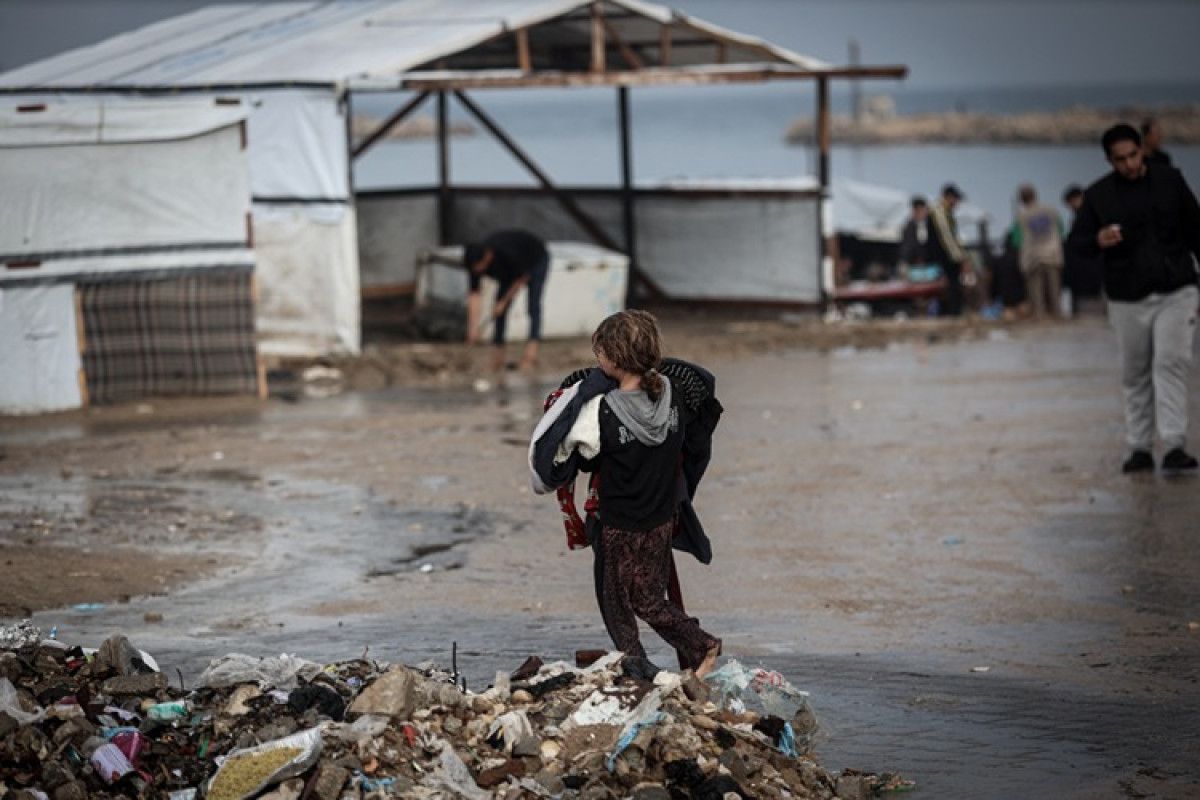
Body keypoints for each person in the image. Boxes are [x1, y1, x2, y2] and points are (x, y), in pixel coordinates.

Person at [529, 310, 723, 677]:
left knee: (616, 601)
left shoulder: (601, 410)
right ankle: (701, 645)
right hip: (661, 518)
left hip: (617, 523)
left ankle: (638, 666)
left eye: (600, 352)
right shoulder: (674, 396)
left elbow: (575, 458)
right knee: (649, 598)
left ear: (614, 358)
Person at [1068, 123, 1200, 473]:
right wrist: (1098, 240)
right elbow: (1076, 245)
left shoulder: (1171, 181)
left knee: (1170, 362)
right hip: (1127, 297)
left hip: (1177, 289)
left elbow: (1196, 230)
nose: (1129, 164)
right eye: (1120, 159)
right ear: (1109, 161)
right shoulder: (1098, 196)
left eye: (1133, 155)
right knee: (1135, 371)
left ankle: (1174, 445)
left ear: (1142, 149)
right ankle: (1140, 448)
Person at [463, 229, 549, 371]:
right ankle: (498, 357)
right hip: (508, 273)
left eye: (480, 267)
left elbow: (522, 277)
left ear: (488, 256)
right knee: (499, 310)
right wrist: (472, 329)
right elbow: (474, 295)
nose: (478, 272)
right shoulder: (474, 263)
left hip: (535, 259)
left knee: (533, 305)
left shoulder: (506, 254)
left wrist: (504, 301)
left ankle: (530, 356)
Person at [1014, 184, 1065, 319]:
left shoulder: (1021, 216)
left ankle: (1040, 316)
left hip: (1033, 258)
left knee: (1036, 291)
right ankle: (1058, 314)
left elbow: (1017, 240)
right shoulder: (1051, 210)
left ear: (1021, 199)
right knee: (1054, 289)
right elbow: (1061, 231)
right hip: (1052, 254)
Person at [927, 183, 975, 316]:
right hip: (944, 258)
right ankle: (952, 314)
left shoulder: (946, 212)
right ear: (949, 197)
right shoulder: (940, 212)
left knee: (954, 286)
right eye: (955, 199)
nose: (956, 203)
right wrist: (960, 258)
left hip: (946, 257)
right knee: (952, 286)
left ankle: (953, 312)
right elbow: (948, 238)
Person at [1061, 185, 1105, 305]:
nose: (1070, 207)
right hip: (1085, 268)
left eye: (1070, 203)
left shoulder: (1089, 214)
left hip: (1091, 265)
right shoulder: (1082, 215)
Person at [898, 195, 932, 271]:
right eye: (918, 210)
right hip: (913, 264)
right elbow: (907, 247)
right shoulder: (908, 226)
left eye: (923, 210)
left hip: (928, 264)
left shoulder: (931, 226)